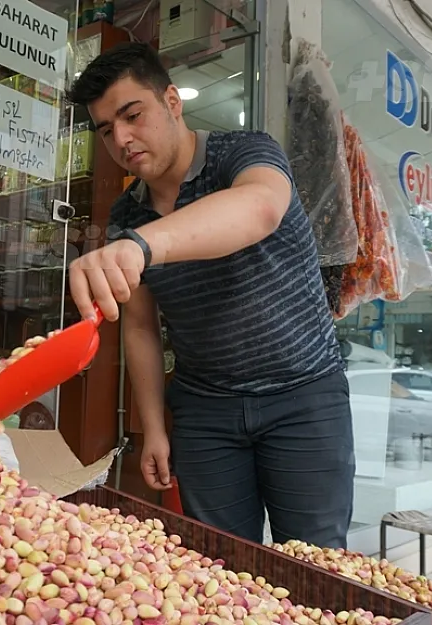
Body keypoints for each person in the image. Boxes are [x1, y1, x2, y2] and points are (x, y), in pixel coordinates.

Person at [64, 42, 355, 548]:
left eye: (133, 115)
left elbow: (261, 207)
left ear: (172, 101)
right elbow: (138, 327)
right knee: (218, 567)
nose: (123, 139)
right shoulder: (126, 215)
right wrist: (153, 427)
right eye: (107, 130)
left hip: (304, 396)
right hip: (206, 413)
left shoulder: (244, 153)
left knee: (314, 568)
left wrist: (141, 248)